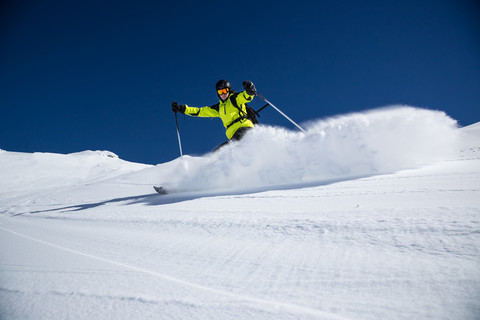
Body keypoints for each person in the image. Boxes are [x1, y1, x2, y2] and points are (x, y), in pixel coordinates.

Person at [171, 80, 257, 148]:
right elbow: (200, 111)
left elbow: (246, 97)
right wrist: (182, 109)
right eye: (220, 92)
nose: (223, 94)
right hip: (233, 135)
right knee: (218, 152)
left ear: (228, 90)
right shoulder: (219, 108)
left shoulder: (235, 98)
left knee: (232, 148)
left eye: (224, 90)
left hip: (244, 128)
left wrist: (249, 90)